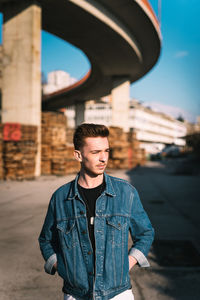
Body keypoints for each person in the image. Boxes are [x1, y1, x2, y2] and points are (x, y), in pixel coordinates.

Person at [38, 123, 154, 300]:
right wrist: (62, 268)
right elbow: (46, 240)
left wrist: (126, 264)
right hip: (75, 294)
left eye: (106, 151)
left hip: (118, 293)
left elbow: (145, 233)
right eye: (95, 152)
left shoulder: (126, 193)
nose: (103, 159)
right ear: (78, 155)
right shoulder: (60, 198)